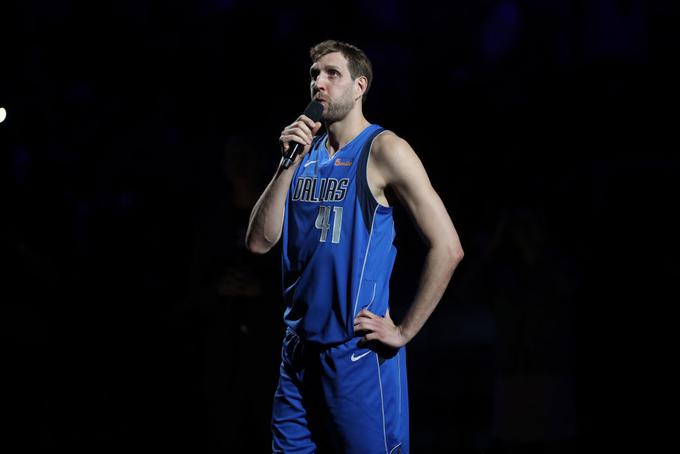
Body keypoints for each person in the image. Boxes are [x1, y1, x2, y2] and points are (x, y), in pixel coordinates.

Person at [245, 39, 464, 453]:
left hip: (355, 354)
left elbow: (448, 247)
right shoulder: (302, 152)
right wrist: (286, 164)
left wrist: (403, 331)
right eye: (314, 75)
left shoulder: (385, 150)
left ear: (360, 85)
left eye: (332, 74)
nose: (318, 84)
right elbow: (259, 242)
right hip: (296, 354)